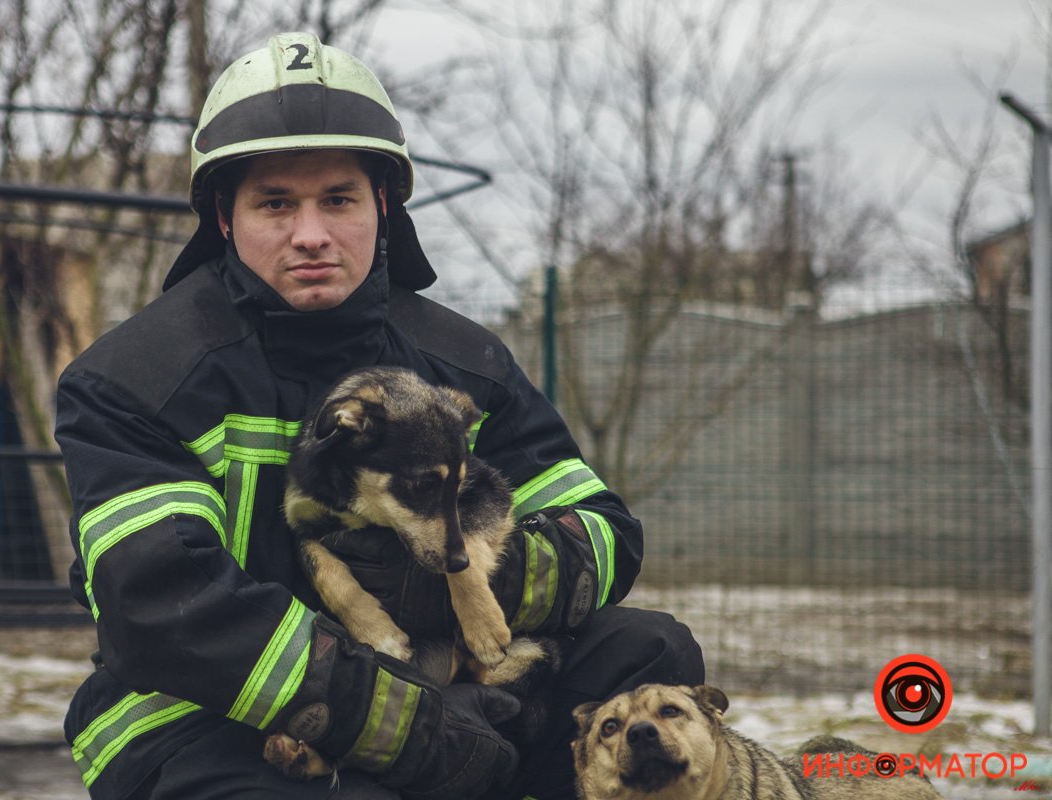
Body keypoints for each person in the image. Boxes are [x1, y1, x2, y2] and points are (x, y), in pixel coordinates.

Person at [55, 32, 703, 800]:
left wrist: (445, 582)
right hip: (210, 721)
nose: (311, 234)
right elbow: (162, 606)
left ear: (384, 206)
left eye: (339, 199)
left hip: (458, 677)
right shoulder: (133, 378)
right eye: (275, 203)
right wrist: (403, 723)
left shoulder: (465, 363)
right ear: (224, 217)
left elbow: (602, 535)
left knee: (650, 647)